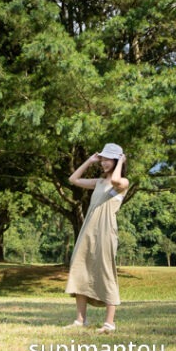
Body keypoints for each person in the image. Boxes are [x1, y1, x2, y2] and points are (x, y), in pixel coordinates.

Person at [64, 142, 129, 333]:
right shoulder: (98, 182)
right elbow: (73, 179)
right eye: (104, 159)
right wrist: (89, 160)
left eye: (109, 159)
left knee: (105, 270)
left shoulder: (123, 182)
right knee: (80, 267)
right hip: (89, 228)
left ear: (117, 160)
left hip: (106, 230)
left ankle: (109, 323)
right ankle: (80, 320)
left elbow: (116, 180)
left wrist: (120, 162)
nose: (104, 163)